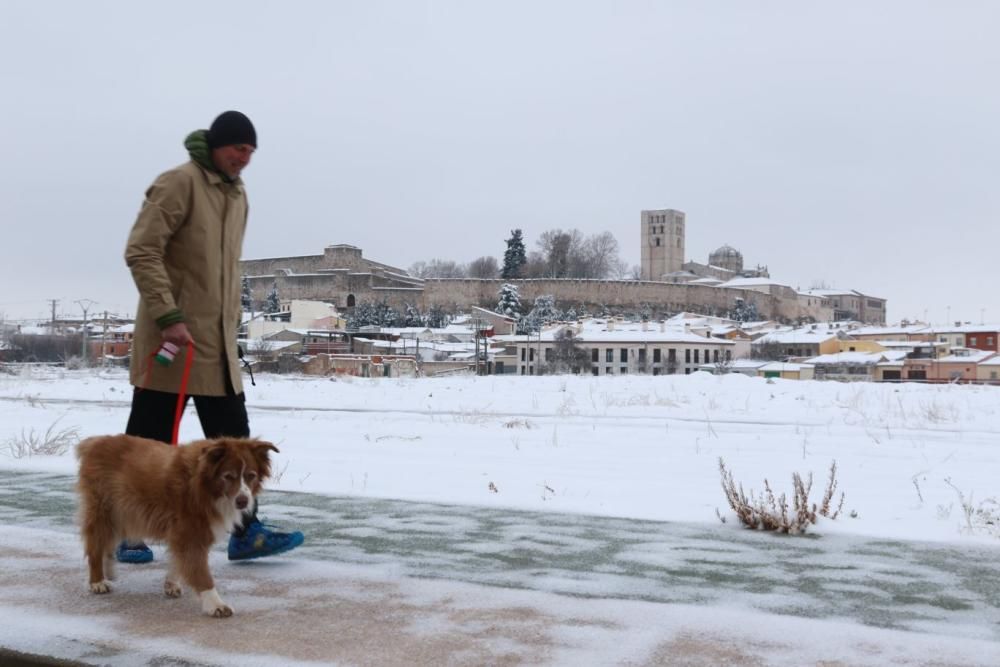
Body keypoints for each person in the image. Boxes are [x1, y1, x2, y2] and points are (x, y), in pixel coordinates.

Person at [120, 110, 304, 563]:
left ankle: (246, 531)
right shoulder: (178, 183)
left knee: (238, 446)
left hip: (217, 347)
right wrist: (168, 314)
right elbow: (141, 250)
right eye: (238, 149)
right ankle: (128, 531)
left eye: (251, 152)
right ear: (217, 145)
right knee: (149, 445)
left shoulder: (237, 195)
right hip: (174, 344)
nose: (245, 159)